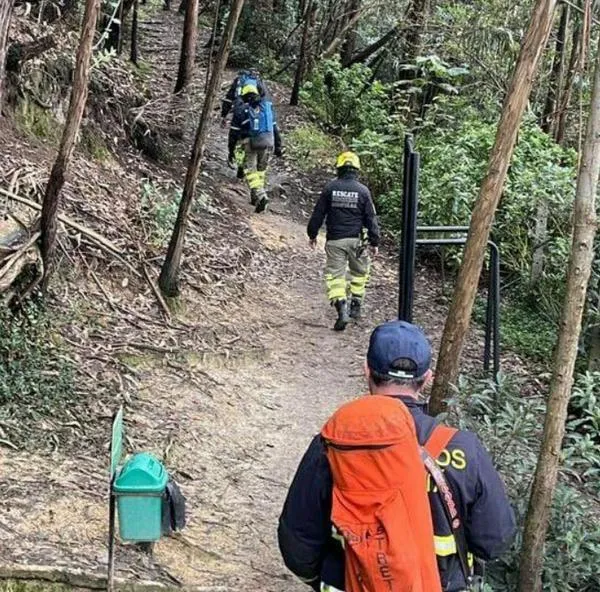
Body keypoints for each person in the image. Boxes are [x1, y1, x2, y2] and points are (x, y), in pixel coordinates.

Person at [278, 320, 516, 592]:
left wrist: (328, 579)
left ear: (366, 370)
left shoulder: (332, 444)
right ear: (427, 378)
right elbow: (495, 540)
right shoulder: (462, 449)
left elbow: (297, 541)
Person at [307, 152, 380, 331]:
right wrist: (374, 241)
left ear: (339, 168)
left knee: (335, 276)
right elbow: (371, 218)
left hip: (335, 241)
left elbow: (318, 214)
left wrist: (312, 234)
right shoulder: (363, 191)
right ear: (356, 170)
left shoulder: (330, 188)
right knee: (360, 273)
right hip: (357, 242)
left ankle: (342, 309)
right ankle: (356, 305)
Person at [229, 84, 283, 213]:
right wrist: (278, 146)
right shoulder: (266, 108)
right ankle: (255, 198)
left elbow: (233, 133)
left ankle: (261, 195)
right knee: (260, 171)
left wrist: (231, 150)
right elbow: (275, 128)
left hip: (249, 144)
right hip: (267, 142)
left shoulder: (241, 110)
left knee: (250, 171)